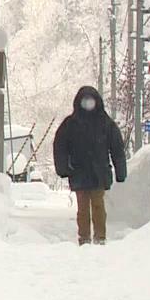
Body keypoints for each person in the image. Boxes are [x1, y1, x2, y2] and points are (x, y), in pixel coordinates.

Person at [53, 86, 127, 245]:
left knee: (98, 205)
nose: (88, 104)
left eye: (90, 101)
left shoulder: (105, 123)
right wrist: (63, 168)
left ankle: (100, 236)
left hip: (99, 172)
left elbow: (117, 148)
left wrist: (121, 171)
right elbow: (60, 146)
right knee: (82, 209)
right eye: (85, 100)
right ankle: (84, 237)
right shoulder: (70, 124)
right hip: (78, 172)